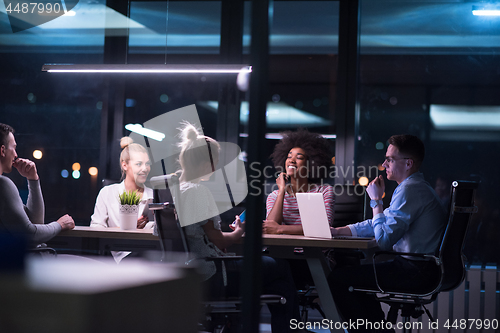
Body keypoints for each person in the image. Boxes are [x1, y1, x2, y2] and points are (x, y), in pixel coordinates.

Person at [175, 122, 300, 332]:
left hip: (191, 273)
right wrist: (238, 232)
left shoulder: (176, 189)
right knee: (281, 267)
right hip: (212, 274)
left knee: (281, 288)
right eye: (214, 161)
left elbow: (202, 237)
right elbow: (220, 240)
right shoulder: (198, 192)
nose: (216, 167)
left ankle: (236, 326)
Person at [328, 134, 447, 332]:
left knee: (337, 279)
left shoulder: (410, 190)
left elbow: (383, 240)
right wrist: (338, 231)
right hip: (420, 267)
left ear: (408, 163)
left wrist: (376, 201)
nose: (384, 164)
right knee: (357, 281)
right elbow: (379, 222)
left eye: (390, 159)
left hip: (415, 270)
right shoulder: (413, 188)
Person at [0, 123, 75, 245]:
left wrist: (32, 179)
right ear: (2, 150)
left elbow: (35, 222)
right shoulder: (2, 184)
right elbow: (30, 235)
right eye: (13, 148)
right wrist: (60, 225)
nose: (16, 154)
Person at [90, 137, 154, 263]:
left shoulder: (154, 196)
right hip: (120, 255)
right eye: (139, 164)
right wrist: (127, 228)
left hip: (149, 253)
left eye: (147, 164)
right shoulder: (108, 193)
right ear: (125, 165)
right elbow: (95, 229)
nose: (145, 168)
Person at [264, 128, 334, 235]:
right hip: (282, 250)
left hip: (313, 250)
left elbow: (323, 228)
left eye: (299, 157)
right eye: (289, 157)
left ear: (310, 166)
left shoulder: (324, 191)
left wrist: (280, 229)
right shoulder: (274, 196)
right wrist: (281, 191)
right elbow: (269, 228)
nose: (292, 160)